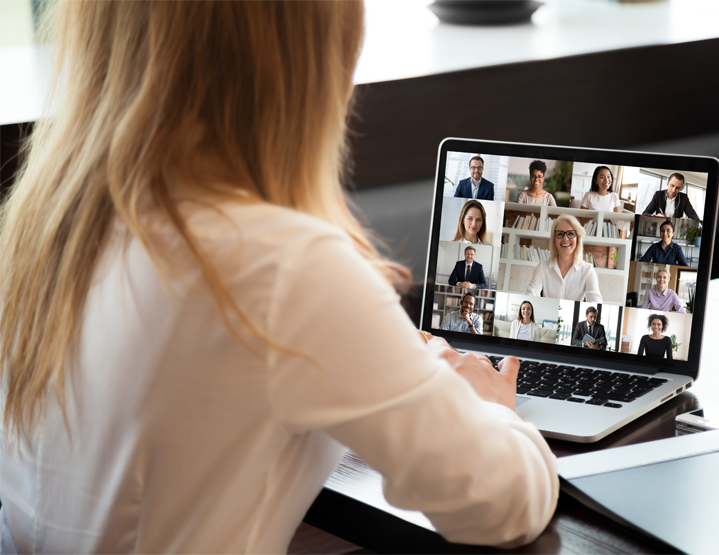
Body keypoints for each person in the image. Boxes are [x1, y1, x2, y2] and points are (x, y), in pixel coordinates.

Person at [0, 2, 558, 552]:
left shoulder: (44, 230)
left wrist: (388, 370)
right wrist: (485, 408)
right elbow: (501, 503)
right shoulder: (285, 267)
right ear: (309, 56)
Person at [526, 214, 602, 302]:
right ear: (554, 240)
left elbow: (596, 305)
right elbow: (530, 296)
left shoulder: (588, 270)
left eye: (570, 233)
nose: (565, 238)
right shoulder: (543, 266)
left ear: (577, 239)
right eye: (560, 234)